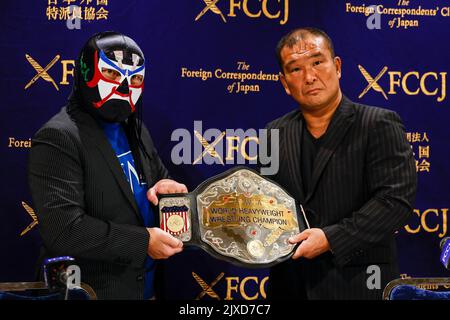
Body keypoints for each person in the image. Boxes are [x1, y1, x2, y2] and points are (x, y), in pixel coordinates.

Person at [28, 32, 187, 300]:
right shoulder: (59, 136)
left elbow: (157, 182)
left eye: (135, 78)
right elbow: (64, 230)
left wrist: (168, 192)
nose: (125, 87)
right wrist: (143, 242)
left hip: (143, 289)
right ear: (86, 72)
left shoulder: (134, 128)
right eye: (112, 74)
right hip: (89, 292)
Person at [263, 27, 417, 299]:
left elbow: (395, 202)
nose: (309, 77)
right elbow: (263, 205)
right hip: (290, 286)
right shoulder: (273, 133)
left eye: (317, 62)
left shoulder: (378, 123)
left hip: (358, 285)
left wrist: (331, 239)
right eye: (295, 69)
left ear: (337, 66)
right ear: (285, 83)